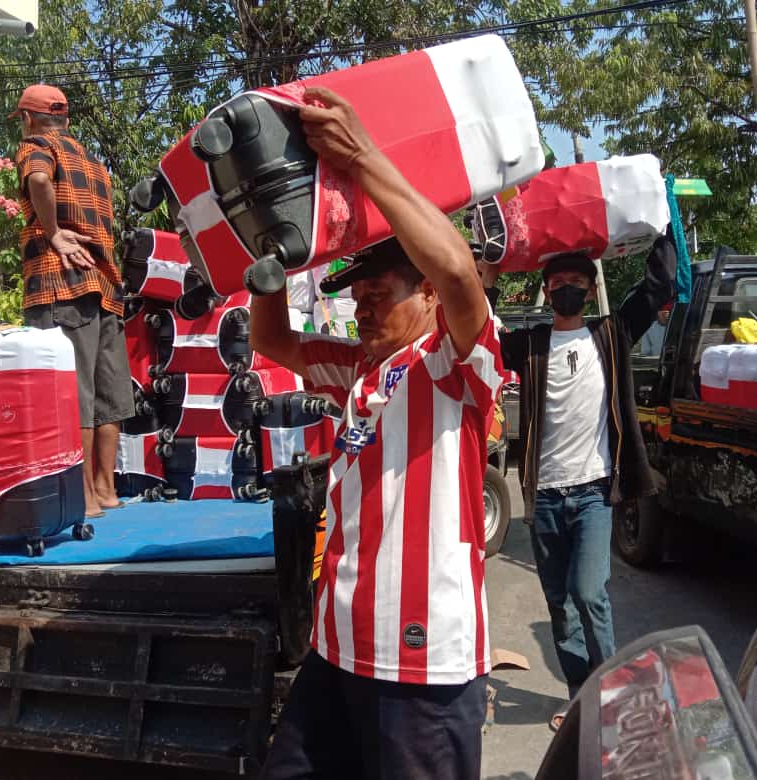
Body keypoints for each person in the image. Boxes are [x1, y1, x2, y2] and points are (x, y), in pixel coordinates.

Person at [250, 87, 503, 778]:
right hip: (338, 647)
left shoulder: (457, 362)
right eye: (355, 300)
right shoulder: (359, 368)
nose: (361, 311)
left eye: (376, 298)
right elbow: (270, 337)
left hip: (422, 666)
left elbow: (456, 268)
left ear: (424, 293)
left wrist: (361, 156)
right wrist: (269, 243)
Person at [486, 236, 676, 731]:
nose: (566, 289)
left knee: (589, 593)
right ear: (546, 293)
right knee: (558, 603)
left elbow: (657, 287)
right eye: (557, 284)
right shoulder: (529, 346)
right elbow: (479, 327)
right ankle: (579, 693)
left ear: (591, 292)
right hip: (545, 496)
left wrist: (658, 229)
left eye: (575, 283)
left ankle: (613, 691)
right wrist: (487, 274)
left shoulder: (611, 335)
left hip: (593, 492)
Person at [12, 85, 133, 518]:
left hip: (58, 283)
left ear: (29, 119)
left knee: (69, 389)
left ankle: (81, 497)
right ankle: (105, 488)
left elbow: (40, 178)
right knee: (107, 388)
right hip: (104, 285)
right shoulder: (93, 162)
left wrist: (52, 231)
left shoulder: (36, 145)